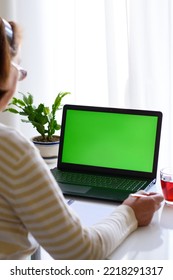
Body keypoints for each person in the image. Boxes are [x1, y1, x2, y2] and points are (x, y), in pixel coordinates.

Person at [0, 17, 164, 260]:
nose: (19, 79)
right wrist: (130, 212)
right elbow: (82, 253)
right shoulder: (10, 148)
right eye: (18, 68)